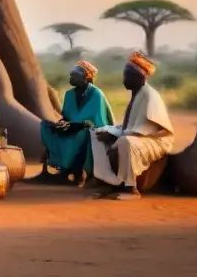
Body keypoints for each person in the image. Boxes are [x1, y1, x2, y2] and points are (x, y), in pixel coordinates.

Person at [89, 52, 174, 200]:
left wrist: (117, 135)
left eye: (127, 76)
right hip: (134, 134)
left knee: (125, 142)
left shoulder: (149, 95)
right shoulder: (137, 94)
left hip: (156, 140)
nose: (124, 80)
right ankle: (110, 182)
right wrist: (110, 131)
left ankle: (131, 188)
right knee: (95, 133)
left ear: (140, 77)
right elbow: (128, 126)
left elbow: (146, 130)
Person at [34, 60, 114, 186]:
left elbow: (97, 121)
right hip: (71, 128)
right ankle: (63, 171)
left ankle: (75, 172)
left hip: (87, 130)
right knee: (45, 125)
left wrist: (75, 125)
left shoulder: (96, 94)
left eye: (75, 74)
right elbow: (66, 117)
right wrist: (61, 124)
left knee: (83, 134)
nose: (71, 76)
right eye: (71, 74)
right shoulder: (69, 94)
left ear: (86, 77)